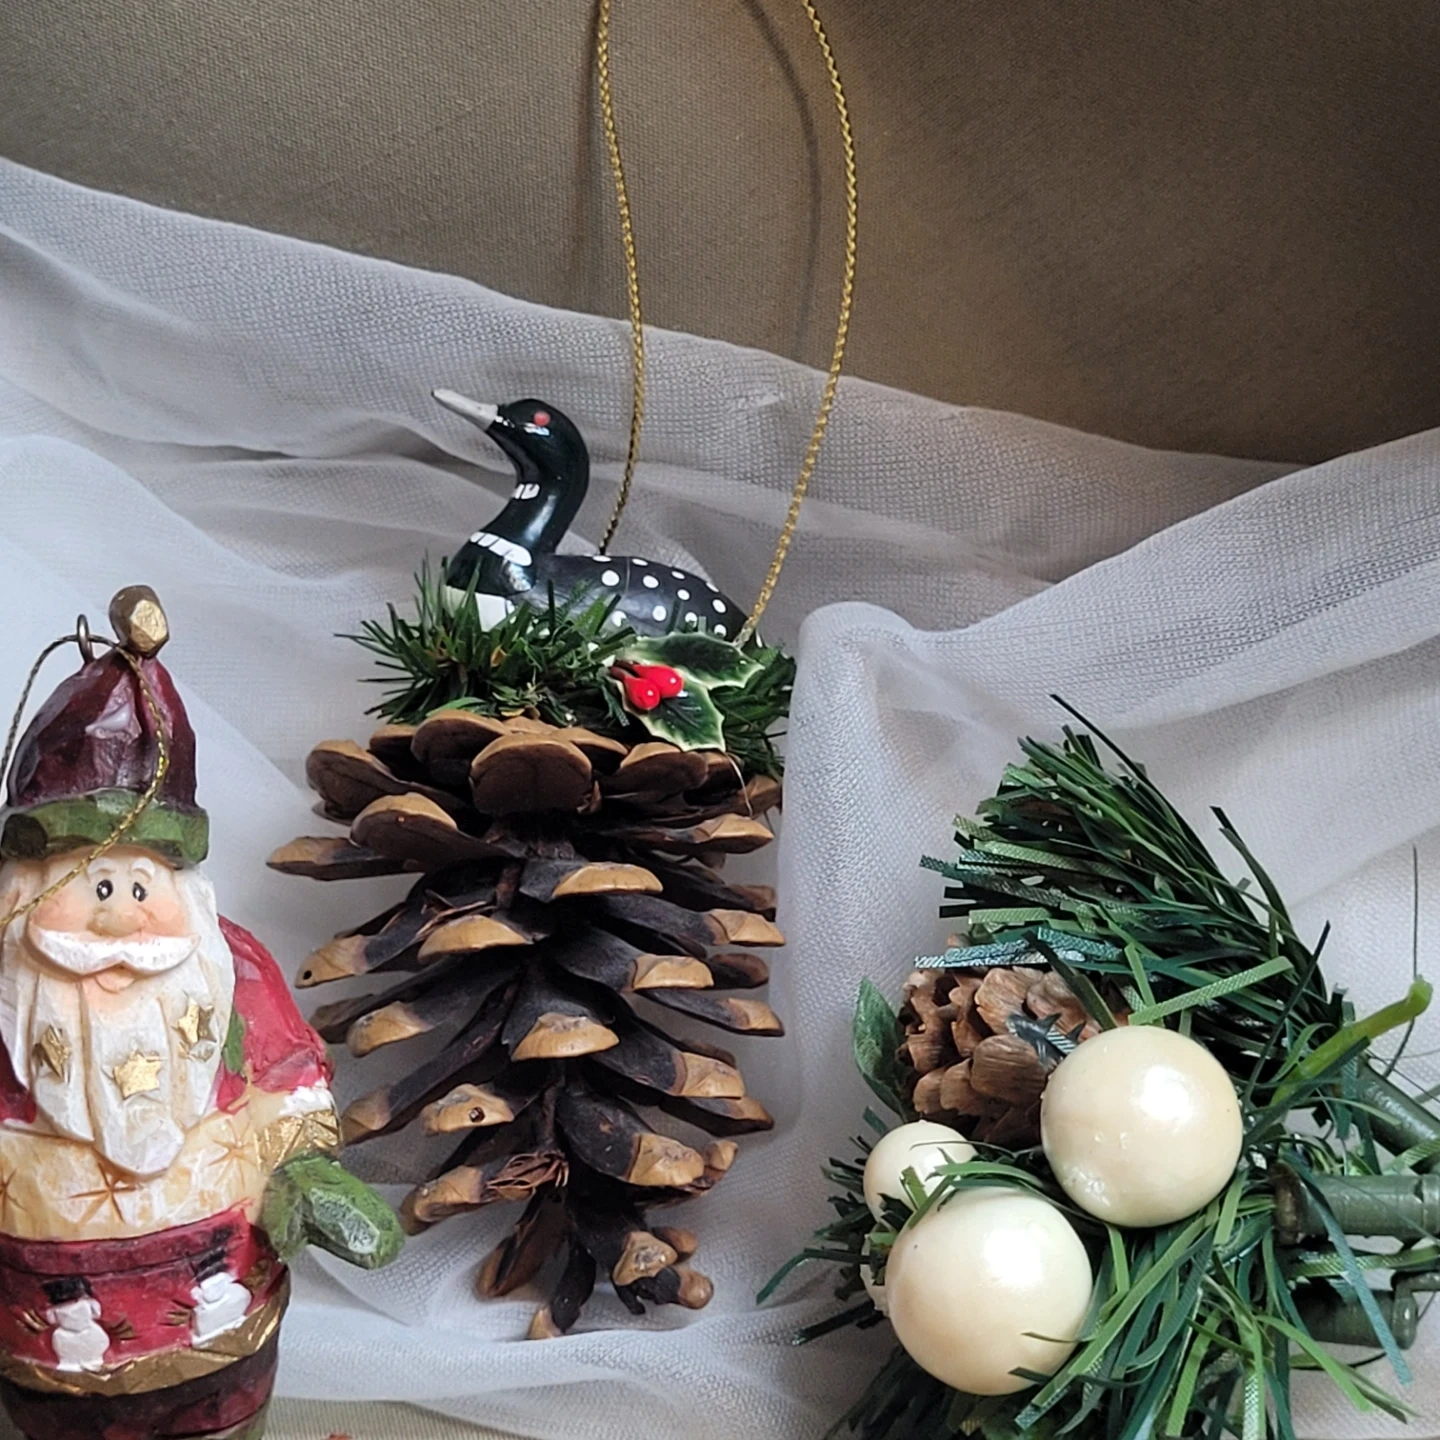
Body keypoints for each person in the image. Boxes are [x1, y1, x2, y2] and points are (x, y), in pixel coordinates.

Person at [0, 587, 402, 1440]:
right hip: (39, 1328)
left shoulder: (231, 968)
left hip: (225, 1316)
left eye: (138, 885)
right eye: (94, 885)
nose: (118, 917)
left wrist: (307, 1176)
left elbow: (286, 1082)